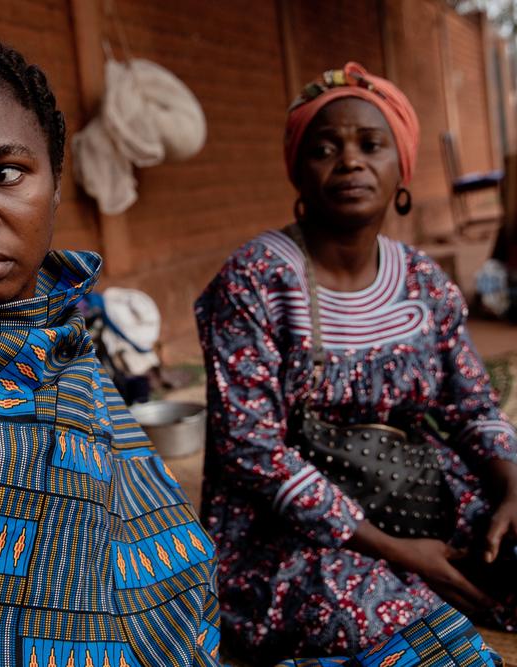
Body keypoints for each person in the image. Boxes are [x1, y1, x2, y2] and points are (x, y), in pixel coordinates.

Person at [0, 41, 500, 667]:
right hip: (299, 533)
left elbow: (152, 559)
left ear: (56, 184)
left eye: (5, 172)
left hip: (401, 496)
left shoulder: (64, 350)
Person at [196, 62, 517, 660]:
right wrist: (398, 551)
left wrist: (512, 489)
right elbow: (252, 452)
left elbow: (474, 407)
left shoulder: (425, 282)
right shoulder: (255, 280)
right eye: (324, 148)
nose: (349, 161)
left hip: (413, 498)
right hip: (285, 534)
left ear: (402, 169)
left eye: (371, 144)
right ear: (297, 171)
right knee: (384, 618)